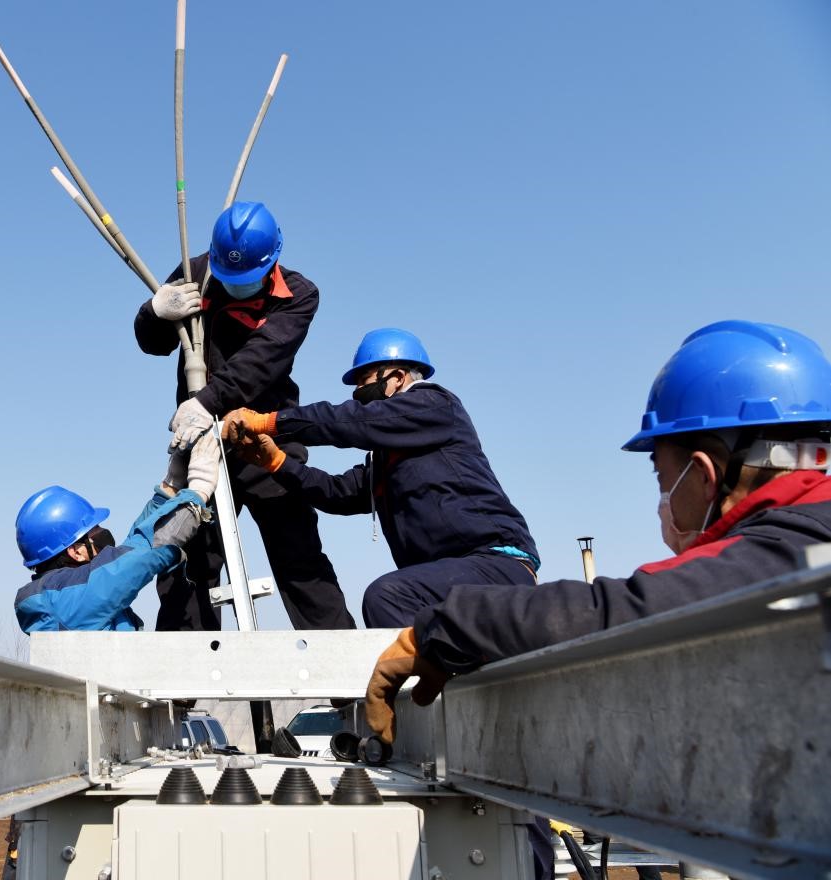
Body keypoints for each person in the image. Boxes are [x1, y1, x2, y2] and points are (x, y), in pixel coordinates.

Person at [364, 319, 831, 742]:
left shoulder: (777, 558)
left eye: (661, 477)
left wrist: (443, 627)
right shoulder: (808, 535)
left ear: (705, 475)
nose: (663, 498)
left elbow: (615, 610)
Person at [223, 327, 540, 627]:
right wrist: (277, 462)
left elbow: (352, 421)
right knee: (402, 602)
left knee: (388, 596)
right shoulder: (388, 461)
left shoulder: (434, 404)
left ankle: (412, 685)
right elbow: (338, 492)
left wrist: (269, 422)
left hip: (495, 564)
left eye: (365, 381)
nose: (360, 393)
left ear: (399, 377)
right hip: (443, 578)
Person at [134, 200, 355, 632]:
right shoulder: (194, 271)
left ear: (272, 260)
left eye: (248, 280)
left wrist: (206, 401)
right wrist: (153, 313)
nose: (238, 286)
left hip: (264, 437)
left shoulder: (299, 294)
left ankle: (345, 680)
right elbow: (153, 344)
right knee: (189, 556)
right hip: (203, 446)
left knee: (299, 555)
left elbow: (260, 361)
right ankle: (186, 686)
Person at [13, 433, 220, 633]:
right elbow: (143, 553)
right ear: (76, 552)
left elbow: (131, 549)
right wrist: (197, 492)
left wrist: (168, 489)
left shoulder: (64, 593)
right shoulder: (69, 598)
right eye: (95, 531)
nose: (104, 532)